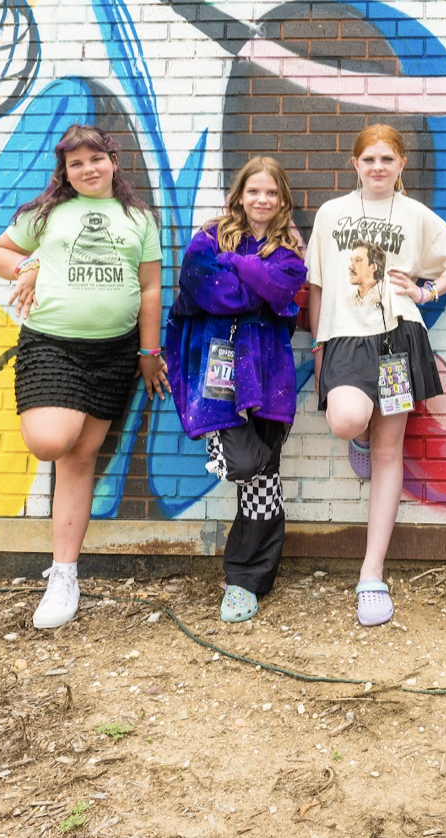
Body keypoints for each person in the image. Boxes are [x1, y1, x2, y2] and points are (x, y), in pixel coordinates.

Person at [0, 124, 169, 629]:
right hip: (52, 345)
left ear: (113, 161)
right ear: (64, 171)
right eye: (75, 163)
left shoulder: (140, 218)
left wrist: (148, 352)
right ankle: (63, 572)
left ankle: (64, 574)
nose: (87, 169)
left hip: (115, 353)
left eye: (95, 159)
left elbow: (150, 289)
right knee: (51, 441)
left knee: (81, 458)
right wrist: (29, 266)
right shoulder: (47, 213)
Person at [306, 125, 446, 626]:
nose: (378, 167)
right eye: (369, 160)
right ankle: (358, 438)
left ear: (401, 165)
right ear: (355, 164)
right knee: (345, 418)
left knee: (390, 451)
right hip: (344, 338)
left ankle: (371, 574)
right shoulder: (332, 212)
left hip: (398, 340)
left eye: (387, 159)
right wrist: (319, 343)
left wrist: (427, 292)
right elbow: (317, 284)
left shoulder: (414, 215)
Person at [166, 158, 306, 623]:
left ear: (283, 199)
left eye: (271, 193)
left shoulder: (289, 248)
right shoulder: (209, 236)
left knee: (264, 471)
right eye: (254, 192)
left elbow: (281, 288)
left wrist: (237, 265)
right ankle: (247, 572)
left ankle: (247, 580)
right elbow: (206, 290)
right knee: (248, 464)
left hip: (270, 373)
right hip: (219, 371)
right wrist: (257, 281)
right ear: (239, 195)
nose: (262, 200)